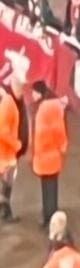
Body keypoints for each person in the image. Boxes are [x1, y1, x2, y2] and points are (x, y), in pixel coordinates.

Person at [30, 84, 67, 226]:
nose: (32, 96)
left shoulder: (46, 108)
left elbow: (48, 133)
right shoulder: (50, 107)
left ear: (39, 93)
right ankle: (48, 215)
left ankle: (50, 217)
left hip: (46, 155)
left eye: (34, 93)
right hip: (49, 156)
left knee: (48, 188)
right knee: (49, 187)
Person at [0, 81, 22, 223]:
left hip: (5, 153)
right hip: (6, 154)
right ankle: (6, 213)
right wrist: (16, 145)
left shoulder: (6, 103)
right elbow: (3, 131)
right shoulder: (9, 105)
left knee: (5, 185)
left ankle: (6, 213)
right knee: (7, 185)